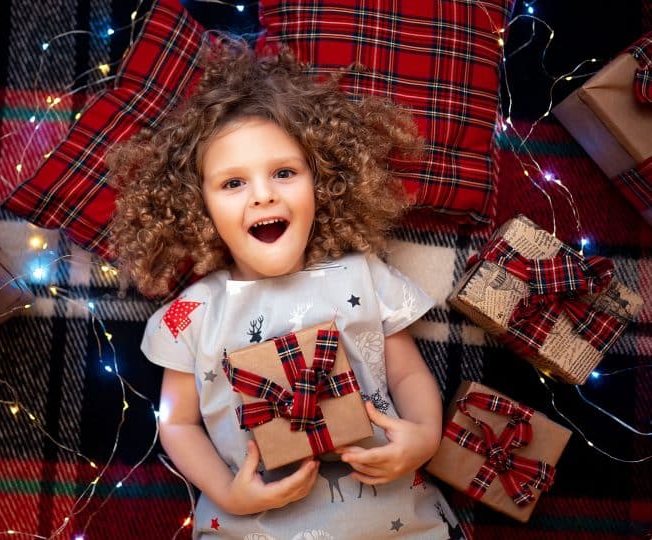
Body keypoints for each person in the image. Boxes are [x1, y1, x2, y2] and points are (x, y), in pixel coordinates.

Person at [107, 38, 462, 539]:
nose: (264, 193)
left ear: (323, 183)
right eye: (233, 183)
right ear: (197, 207)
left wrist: (424, 437)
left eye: (284, 172)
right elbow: (177, 422)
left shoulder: (362, 277)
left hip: (391, 521)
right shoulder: (192, 315)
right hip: (255, 525)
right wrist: (229, 493)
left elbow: (406, 374)